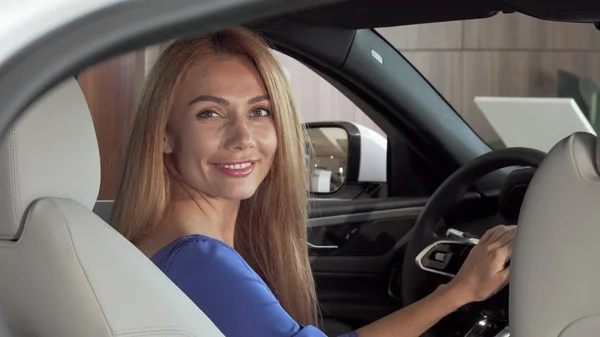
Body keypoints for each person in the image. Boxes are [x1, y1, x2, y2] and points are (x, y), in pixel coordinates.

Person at [112, 27, 516, 337]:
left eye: (260, 112)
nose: (243, 139)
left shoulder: (159, 242)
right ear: (163, 134)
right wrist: (459, 292)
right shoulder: (198, 259)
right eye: (210, 114)